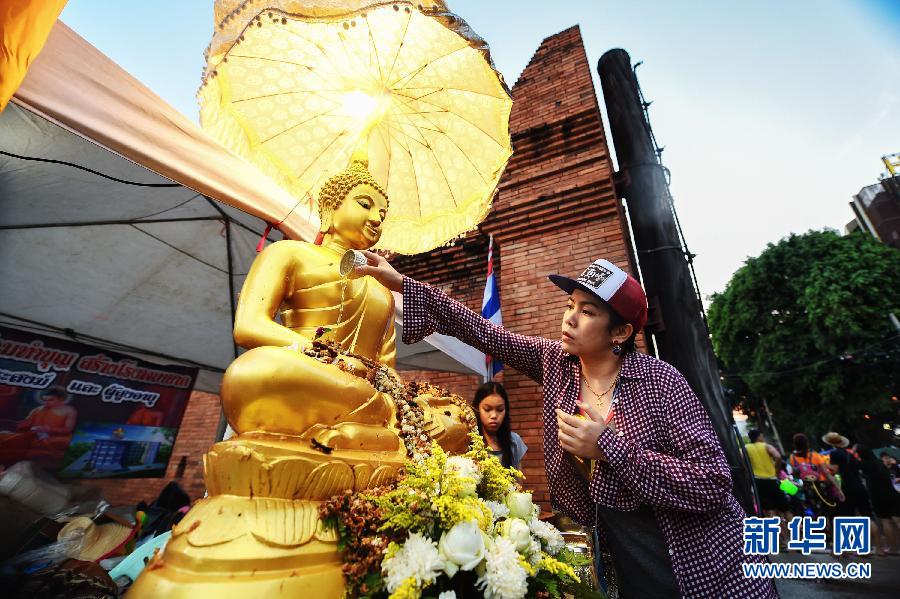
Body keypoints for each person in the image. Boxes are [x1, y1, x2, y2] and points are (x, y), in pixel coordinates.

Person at [354, 253, 777, 598]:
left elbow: (712, 483)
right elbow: (483, 331)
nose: (569, 318)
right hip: (622, 558)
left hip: (696, 557)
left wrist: (610, 446)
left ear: (622, 331)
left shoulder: (662, 382)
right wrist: (402, 283)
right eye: (569, 305)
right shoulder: (557, 363)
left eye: (587, 311)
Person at [746, 429, 791, 539]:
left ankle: (781, 540)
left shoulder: (746, 448)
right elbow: (778, 456)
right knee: (785, 509)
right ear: (759, 437)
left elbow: (743, 462)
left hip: (758, 482)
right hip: (772, 480)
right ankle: (796, 538)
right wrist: (777, 468)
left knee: (769, 511)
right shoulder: (766, 446)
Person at [472, 381, 527, 470]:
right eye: (487, 409)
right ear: (477, 409)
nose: (494, 415)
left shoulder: (514, 441)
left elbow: (518, 482)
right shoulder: (467, 441)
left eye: (500, 409)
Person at [857, 445, 900, 555]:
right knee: (897, 521)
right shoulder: (879, 462)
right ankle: (895, 547)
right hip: (892, 493)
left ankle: (893, 549)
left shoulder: (865, 464)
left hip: (878, 496)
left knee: (886, 521)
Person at [789, 433, 844, 514]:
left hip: (806, 489)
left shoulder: (792, 458)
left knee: (815, 512)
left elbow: (796, 474)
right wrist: (838, 489)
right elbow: (826, 474)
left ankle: (820, 525)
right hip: (821, 487)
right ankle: (831, 524)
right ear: (806, 443)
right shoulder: (815, 455)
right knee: (829, 510)